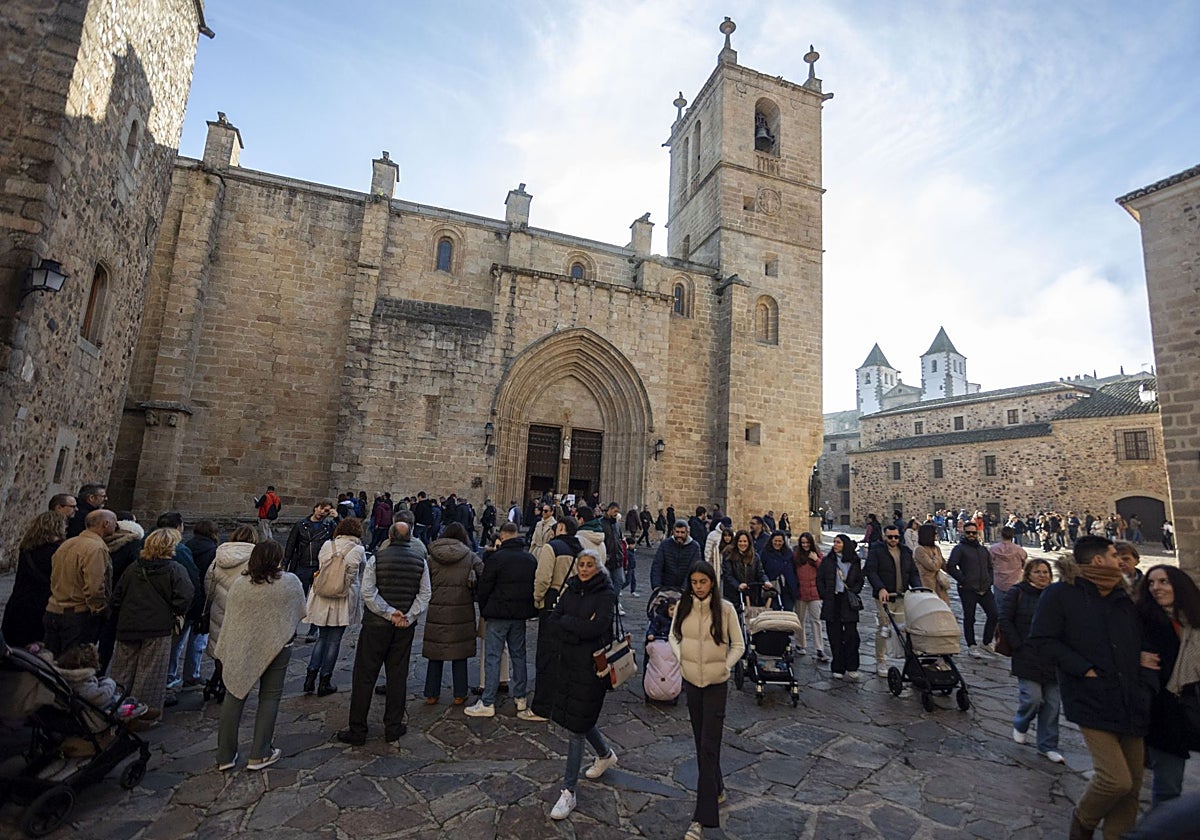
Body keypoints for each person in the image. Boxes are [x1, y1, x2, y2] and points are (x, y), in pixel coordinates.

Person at [1029, 536, 1154, 840]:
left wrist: (1145, 679)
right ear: (1098, 560)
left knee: (1132, 789)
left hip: (1131, 697)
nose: (1120, 560)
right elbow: (1042, 641)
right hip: (1091, 697)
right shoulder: (1061, 594)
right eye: (1115, 555)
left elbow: (1142, 638)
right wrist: (1083, 669)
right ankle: (1083, 821)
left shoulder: (1124, 596)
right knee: (1116, 781)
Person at [537, 549, 619, 820]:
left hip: (592, 669)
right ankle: (605, 754)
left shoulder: (606, 595)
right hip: (569, 663)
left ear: (598, 568)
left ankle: (568, 791)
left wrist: (570, 626)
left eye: (589, 565)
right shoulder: (571, 589)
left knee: (576, 728)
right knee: (579, 718)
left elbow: (597, 629)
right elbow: (553, 621)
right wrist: (579, 625)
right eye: (581, 564)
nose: (584, 569)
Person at [213, 539, 306, 771]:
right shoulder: (289, 582)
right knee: (270, 697)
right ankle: (260, 753)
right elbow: (300, 611)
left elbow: (232, 618)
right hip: (278, 645)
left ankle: (225, 755)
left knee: (234, 695)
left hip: (241, 645)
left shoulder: (240, 585)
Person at [338, 514, 431, 745]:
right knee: (397, 676)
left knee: (364, 676)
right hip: (403, 628)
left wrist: (388, 612)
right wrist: (407, 616)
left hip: (375, 625)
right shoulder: (421, 561)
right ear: (410, 537)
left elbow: (368, 593)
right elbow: (425, 593)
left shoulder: (377, 558)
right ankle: (393, 727)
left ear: (390, 536)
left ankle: (358, 729)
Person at [669, 560, 744, 840]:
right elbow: (674, 636)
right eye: (694, 582)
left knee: (709, 746)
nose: (698, 587)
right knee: (702, 743)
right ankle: (718, 787)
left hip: (715, 685)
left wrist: (726, 665)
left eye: (703, 581)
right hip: (692, 683)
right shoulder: (683, 606)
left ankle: (702, 819)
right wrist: (682, 660)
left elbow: (739, 644)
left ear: (712, 581)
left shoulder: (725, 610)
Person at [109, 528, 194, 725]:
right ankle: (143, 715)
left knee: (121, 671)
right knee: (151, 674)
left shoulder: (133, 568)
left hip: (128, 626)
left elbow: (117, 596)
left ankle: (114, 710)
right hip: (157, 628)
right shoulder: (174, 569)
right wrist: (171, 611)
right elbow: (185, 596)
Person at [1137, 565, 1200, 806]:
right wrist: (1136, 657)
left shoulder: (1194, 620)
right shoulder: (1142, 620)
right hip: (1164, 713)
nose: (1156, 588)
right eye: (1152, 583)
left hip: (1194, 703)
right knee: (1168, 788)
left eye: (1164, 582)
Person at [467, 521, 537, 717]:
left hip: (498, 614)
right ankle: (521, 697)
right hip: (519, 615)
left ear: (503, 536)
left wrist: (485, 610)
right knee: (519, 655)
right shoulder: (530, 559)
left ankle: (488, 701)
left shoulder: (496, 559)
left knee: (492, 656)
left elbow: (484, 587)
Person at [999, 558, 1062, 763]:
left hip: (1052, 656)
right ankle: (1021, 723)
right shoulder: (1017, 593)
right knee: (1033, 698)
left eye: (1046, 572)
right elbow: (1005, 619)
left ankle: (1047, 745)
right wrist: (1018, 644)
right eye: (1038, 572)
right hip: (1026, 653)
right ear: (1028, 574)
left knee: (1052, 704)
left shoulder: (1056, 595)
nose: (1043, 575)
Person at [422, 522, 483, 706]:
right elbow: (484, 577)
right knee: (460, 652)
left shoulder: (431, 558)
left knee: (435, 651)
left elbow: (424, 581)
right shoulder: (470, 557)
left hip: (437, 609)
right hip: (461, 609)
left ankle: (431, 693)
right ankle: (459, 693)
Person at [303, 517, 365, 697]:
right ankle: (325, 680)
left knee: (322, 638)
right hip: (342, 598)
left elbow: (321, 564)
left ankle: (309, 677)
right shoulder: (358, 549)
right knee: (334, 641)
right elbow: (360, 572)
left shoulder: (327, 545)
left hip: (322, 595)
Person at [44, 509, 117, 655]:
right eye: (114, 523)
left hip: (53, 609)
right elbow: (95, 586)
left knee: (53, 660)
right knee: (73, 663)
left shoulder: (67, 543)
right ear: (106, 523)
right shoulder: (96, 548)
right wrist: (100, 609)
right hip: (76, 614)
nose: (116, 527)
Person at [2, 511, 67, 649]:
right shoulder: (58, 551)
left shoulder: (27, 547)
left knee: (12, 644)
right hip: (40, 605)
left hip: (18, 601)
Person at [864, 524, 922, 676]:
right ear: (884, 536)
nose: (893, 539)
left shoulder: (905, 552)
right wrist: (880, 588)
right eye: (890, 537)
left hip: (902, 596)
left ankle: (909, 662)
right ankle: (880, 659)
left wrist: (918, 588)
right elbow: (871, 571)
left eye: (896, 537)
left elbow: (913, 573)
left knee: (904, 629)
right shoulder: (877, 551)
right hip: (884, 597)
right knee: (884, 627)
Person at [203, 526, 258, 665]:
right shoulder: (256, 557)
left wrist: (212, 599)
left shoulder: (220, 555)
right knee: (238, 644)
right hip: (244, 607)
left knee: (219, 643)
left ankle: (217, 678)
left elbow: (209, 581)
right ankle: (227, 682)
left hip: (220, 605)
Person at [283, 501, 337, 640]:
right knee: (298, 598)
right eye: (321, 508)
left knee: (315, 599)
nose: (322, 512)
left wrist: (337, 518)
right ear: (315, 508)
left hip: (319, 567)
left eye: (326, 511)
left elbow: (342, 534)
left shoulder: (329, 526)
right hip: (302, 564)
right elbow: (291, 544)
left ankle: (313, 629)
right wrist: (285, 564)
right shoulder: (301, 525)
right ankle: (291, 628)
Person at [817, 534, 865, 680]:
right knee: (834, 636)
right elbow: (820, 579)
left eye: (838, 542)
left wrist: (853, 590)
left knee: (851, 635)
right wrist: (825, 594)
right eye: (834, 542)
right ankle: (838, 666)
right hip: (833, 600)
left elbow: (859, 580)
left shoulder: (854, 561)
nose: (835, 544)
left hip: (847, 600)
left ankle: (852, 665)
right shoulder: (828, 561)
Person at [946, 522, 998, 657]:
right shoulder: (959, 549)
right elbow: (951, 566)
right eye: (968, 532)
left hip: (985, 588)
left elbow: (990, 567)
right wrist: (963, 580)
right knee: (970, 617)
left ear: (977, 533)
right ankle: (971, 644)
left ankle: (986, 642)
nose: (971, 535)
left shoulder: (983, 550)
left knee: (994, 614)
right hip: (968, 589)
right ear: (964, 533)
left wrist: (990, 579)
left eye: (973, 533)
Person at [793, 532, 826, 661]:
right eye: (803, 543)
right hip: (801, 592)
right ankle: (800, 644)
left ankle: (819, 648)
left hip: (814, 593)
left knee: (816, 620)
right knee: (799, 620)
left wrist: (816, 560)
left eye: (807, 542)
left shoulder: (817, 554)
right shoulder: (796, 555)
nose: (805, 545)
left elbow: (824, 569)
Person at [721, 530, 770, 610]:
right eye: (740, 541)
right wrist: (738, 585)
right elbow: (728, 575)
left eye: (745, 541)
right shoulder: (729, 555)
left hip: (751, 594)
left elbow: (760, 572)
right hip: (733, 594)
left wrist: (765, 581)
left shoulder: (755, 556)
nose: (742, 544)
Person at [652, 519, 702, 592]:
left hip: (685, 589)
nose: (679, 535)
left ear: (687, 533)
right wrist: (656, 585)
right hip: (665, 586)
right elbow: (657, 565)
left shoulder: (694, 547)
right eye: (677, 532)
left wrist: (685, 588)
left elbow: (693, 569)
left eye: (682, 532)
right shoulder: (665, 544)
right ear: (673, 531)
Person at [990, 526, 1028, 609]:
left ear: (1001, 535)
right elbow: (1024, 559)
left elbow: (989, 563)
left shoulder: (993, 549)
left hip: (999, 580)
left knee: (999, 606)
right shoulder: (1018, 549)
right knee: (1016, 606)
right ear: (1012, 536)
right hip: (1015, 580)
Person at [760, 531, 798, 612]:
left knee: (788, 611)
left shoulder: (788, 553)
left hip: (787, 588)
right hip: (772, 589)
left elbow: (793, 570)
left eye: (780, 541)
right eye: (775, 541)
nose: (777, 543)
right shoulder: (765, 553)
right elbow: (761, 570)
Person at [913, 524, 950, 606]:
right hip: (928, 585)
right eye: (934, 533)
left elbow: (943, 564)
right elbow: (934, 566)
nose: (936, 535)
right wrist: (936, 555)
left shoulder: (936, 548)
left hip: (939, 586)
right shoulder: (919, 550)